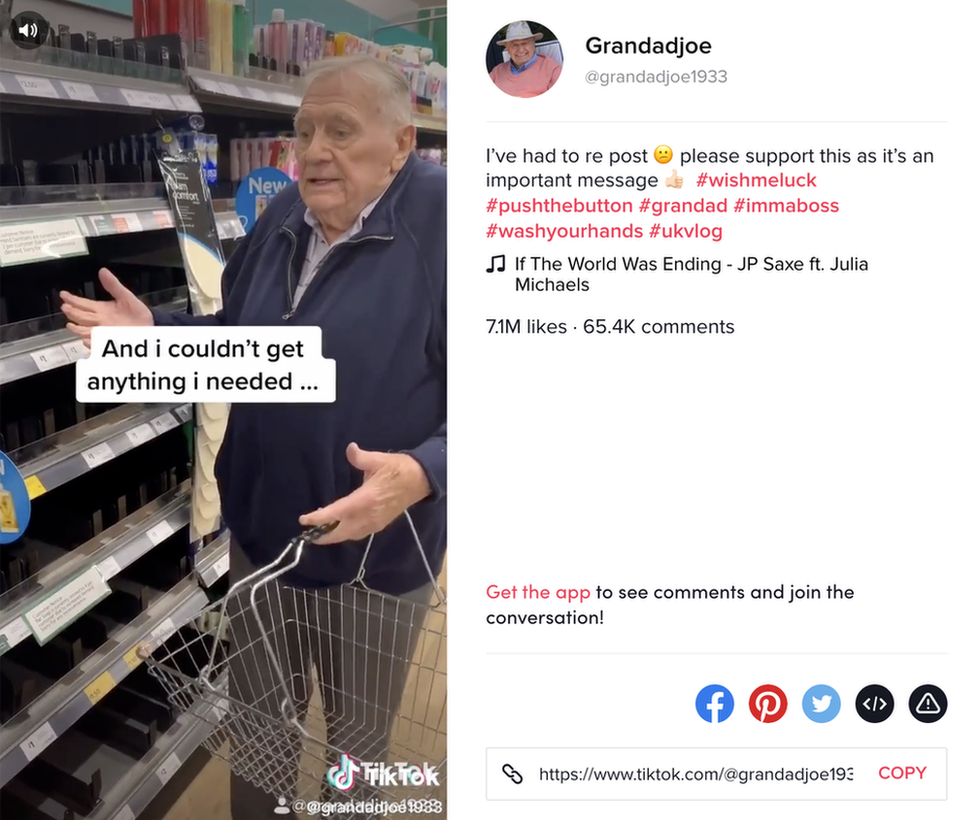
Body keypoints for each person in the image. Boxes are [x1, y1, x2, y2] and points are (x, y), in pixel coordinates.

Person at [59, 56, 446, 820]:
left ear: (402, 142)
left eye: (341, 130)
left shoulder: (449, 227)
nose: (315, 151)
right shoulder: (282, 220)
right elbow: (239, 342)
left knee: (355, 753)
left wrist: (426, 471)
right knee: (260, 732)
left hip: (376, 556)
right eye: (304, 132)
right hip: (264, 542)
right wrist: (158, 336)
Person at [489, 20, 561, 98]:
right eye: (515, 45)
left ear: (533, 43)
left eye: (524, 43)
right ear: (507, 48)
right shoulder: (496, 72)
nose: (521, 50)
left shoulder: (552, 70)